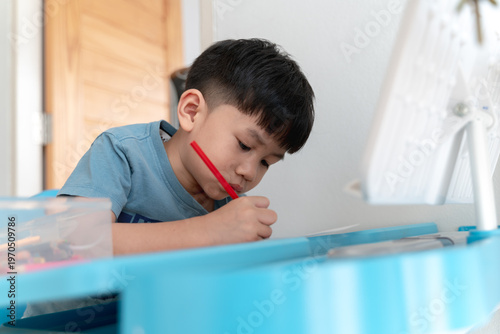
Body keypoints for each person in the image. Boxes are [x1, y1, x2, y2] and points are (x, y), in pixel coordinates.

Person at [59, 38, 315, 255]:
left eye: (265, 163)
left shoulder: (230, 212)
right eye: (244, 145)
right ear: (192, 112)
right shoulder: (122, 152)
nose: (249, 172)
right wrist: (207, 232)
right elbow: (74, 241)